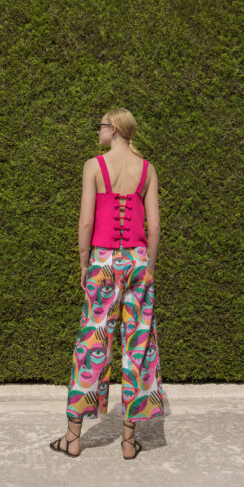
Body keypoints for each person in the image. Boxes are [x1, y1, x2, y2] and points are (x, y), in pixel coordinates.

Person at [50, 108, 164, 459]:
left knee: (92, 342)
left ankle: (72, 438)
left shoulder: (94, 166)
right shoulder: (147, 169)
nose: (97, 131)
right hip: (138, 262)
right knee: (139, 345)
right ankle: (129, 443)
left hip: (103, 261)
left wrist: (84, 262)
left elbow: (86, 222)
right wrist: (148, 266)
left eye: (101, 125)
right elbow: (155, 228)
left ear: (113, 129)